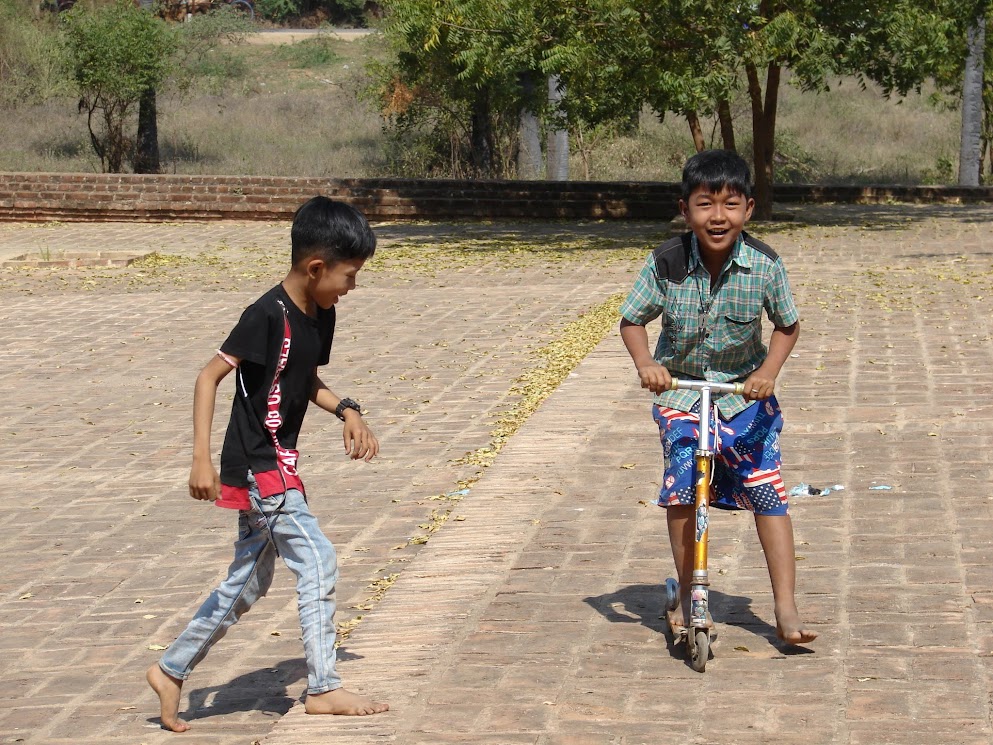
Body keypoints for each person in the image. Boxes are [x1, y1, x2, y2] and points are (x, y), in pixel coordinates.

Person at [146, 196, 389, 732]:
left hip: (280, 464)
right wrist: (201, 460)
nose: (353, 287)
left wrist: (347, 410)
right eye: (350, 275)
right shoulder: (264, 315)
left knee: (248, 583)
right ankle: (324, 686)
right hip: (260, 468)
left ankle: (171, 668)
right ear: (316, 267)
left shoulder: (320, 314)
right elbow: (208, 376)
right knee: (319, 562)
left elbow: (304, 381)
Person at [618, 150, 816, 646]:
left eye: (730, 205)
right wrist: (648, 365)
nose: (718, 216)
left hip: (743, 396)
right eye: (705, 204)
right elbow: (633, 320)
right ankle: (688, 594)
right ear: (684, 210)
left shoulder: (764, 265)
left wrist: (768, 373)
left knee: (768, 491)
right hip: (683, 395)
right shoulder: (665, 261)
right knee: (684, 489)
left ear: (749, 209)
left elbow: (787, 326)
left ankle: (785, 606)